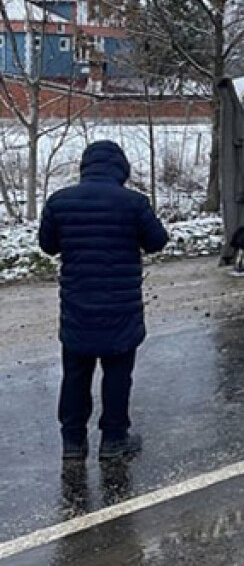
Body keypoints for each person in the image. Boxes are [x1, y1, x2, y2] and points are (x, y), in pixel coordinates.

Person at [38, 140, 169, 462]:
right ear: (120, 168)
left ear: (85, 167)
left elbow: (48, 246)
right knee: (117, 374)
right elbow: (157, 242)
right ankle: (113, 440)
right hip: (120, 307)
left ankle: (73, 443)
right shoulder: (134, 203)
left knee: (76, 373)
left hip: (77, 306)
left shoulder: (59, 202)